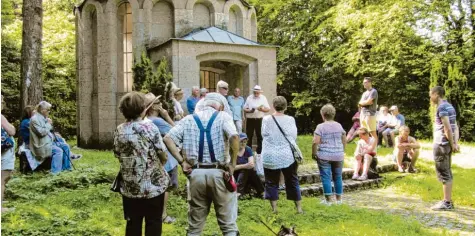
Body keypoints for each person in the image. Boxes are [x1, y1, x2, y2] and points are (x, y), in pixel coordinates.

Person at [163, 92, 240, 236]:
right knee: (228, 225)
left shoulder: (189, 119)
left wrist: (182, 162)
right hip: (220, 174)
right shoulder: (223, 116)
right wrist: (233, 164)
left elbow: (168, 138)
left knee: (195, 226)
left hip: (196, 174)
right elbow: (235, 137)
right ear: (220, 106)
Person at [114, 92, 169, 236]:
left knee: (132, 224)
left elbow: (117, 154)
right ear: (143, 109)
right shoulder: (150, 128)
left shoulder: (119, 130)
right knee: (154, 222)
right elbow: (162, 154)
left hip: (130, 186)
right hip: (153, 186)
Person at [261, 96, 302, 214]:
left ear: (273, 106)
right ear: (286, 106)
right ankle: (299, 209)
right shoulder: (290, 119)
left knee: (271, 182)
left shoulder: (266, 119)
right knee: (292, 180)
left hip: (269, 155)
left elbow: (264, 134)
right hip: (286, 155)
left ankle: (274, 209)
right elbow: (293, 136)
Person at [144, 92, 178, 224]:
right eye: (158, 103)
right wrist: (166, 115)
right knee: (166, 188)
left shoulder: (145, 121)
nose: (161, 105)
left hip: (152, 161)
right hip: (167, 161)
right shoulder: (157, 121)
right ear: (152, 107)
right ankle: (163, 215)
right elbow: (177, 131)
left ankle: (154, 213)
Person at [429, 86, 459, 211]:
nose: (430, 98)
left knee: (443, 172)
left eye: (431, 95)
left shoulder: (441, 108)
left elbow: (447, 128)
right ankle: (448, 201)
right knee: (447, 171)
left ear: (436, 94)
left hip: (441, 144)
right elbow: (455, 126)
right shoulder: (450, 106)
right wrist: (455, 143)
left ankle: (446, 202)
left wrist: (452, 144)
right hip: (448, 144)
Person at [313, 104, 346, 205]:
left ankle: (328, 201)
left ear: (323, 115)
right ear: (334, 114)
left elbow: (315, 142)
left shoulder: (320, 127)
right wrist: (342, 150)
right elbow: (344, 138)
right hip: (338, 155)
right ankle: (339, 200)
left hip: (324, 155)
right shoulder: (339, 125)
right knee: (338, 177)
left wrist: (314, 152)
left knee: (326, 177)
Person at [29, 101, 72, 174]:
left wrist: (53, 133)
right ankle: (55, 173)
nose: (49, 112)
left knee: (65, 146)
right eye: (48, 110)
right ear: (43, 110)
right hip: (41, 145)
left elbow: (47, 131)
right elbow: (41, 133)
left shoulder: (43, 118)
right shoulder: (34, 119)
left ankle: (66, 169)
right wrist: (48, 124)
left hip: (49, 143)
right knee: (58, 151)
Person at [234, 133, 264, 198]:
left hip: (247, 175)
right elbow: (231, 168)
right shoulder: (233, 150)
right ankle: (261, 191)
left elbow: (251, 164)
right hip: (235, 175)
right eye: (241, 141)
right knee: (246, 169)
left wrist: (244, 166)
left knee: (249, 170)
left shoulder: (248, 149)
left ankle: (240, 192)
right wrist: (244, 165)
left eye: (245, 142)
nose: (243, 143)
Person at [244, 85, 270, 157]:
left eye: (257, 93)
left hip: (259, 119)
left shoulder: (263, 98)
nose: (256, 94)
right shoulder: (249, 97)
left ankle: (260, 152)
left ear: (260, 92)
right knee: (249, 136)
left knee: (260, 135)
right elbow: (244, 109)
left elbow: (268, 109)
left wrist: (262, 109)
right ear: (253, 92)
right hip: (250, 119)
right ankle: (248, 152)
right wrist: (250, 110)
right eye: (255, 92)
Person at [1, 96, 16, 213]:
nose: (2, 103)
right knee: (2, 178)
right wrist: (11, 127)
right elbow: (11, 131)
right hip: (4, 151)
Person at [358, 77, 378, 152]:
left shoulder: (373, 91)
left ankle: (374, 151)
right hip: (363, 114)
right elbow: (359, 103)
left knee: (372, 133)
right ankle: (364, 149)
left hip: (370, 114)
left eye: (365, 82)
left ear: (370, 82)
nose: (364, 84)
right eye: (363, 82)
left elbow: (369, 102)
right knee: (363, 132)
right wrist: (362, 103)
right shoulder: (364, 93)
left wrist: (362, 103)